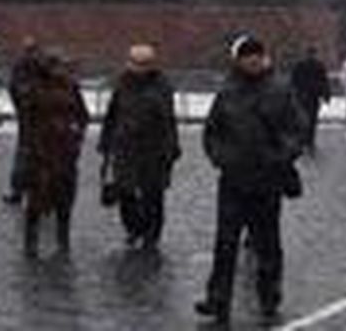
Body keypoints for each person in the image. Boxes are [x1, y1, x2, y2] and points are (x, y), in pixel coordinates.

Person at [196, 35, 305, 326]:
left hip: (267, 180)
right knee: (225, 242)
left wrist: (281, 156)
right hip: (233, 180)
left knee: (267, 242)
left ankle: (269, 294)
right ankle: (217, 298)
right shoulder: (227, 92)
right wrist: (220, 157)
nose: (252, 60)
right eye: (247, 55)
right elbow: (212, 132)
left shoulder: (280, 91)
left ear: (264, 57)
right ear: (238, 60)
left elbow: (297, 129)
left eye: (257, 54)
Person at [98, 44, 181, 250]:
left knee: (153, 194)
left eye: (144, 64)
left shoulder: (162, 86)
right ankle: (134, 229)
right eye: (136, 63)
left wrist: (171, 148)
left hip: (154, 148)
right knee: (125, 192)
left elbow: (168, 120)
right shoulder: (122, 84)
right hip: (125, 147)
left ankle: (151, 235)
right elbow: (112, 115)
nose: (139, 68)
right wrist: (105, 141)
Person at [22, 51, 89, 257]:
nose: (58, 70)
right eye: (54, 66)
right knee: (36, 197)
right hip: (40, 151)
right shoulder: (34, 89)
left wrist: (76, 135)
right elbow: (26, 118)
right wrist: (30, 143)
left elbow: (83, 115)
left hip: (65, 150)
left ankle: (63, 241)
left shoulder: (70, 87)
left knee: (64, 197)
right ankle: (31, 242)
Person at [4, 37, 41, 206]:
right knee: (28, 155)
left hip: (35, 119)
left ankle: (22, 191)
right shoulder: (30, 66)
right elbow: (14, 88)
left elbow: (13, 88)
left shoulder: (36, 66)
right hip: (31, 119)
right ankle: (21, 191)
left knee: (29, 155)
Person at [289, 47, 331, 154]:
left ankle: (304, 140)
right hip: (313, 96)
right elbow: (324, 81)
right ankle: (310, 140)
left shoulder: (299, 65)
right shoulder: (319, 65)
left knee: (303, 118)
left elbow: (294, 80)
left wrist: (293, 93)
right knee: (312, 119)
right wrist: (326, 95)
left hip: (302, 95)